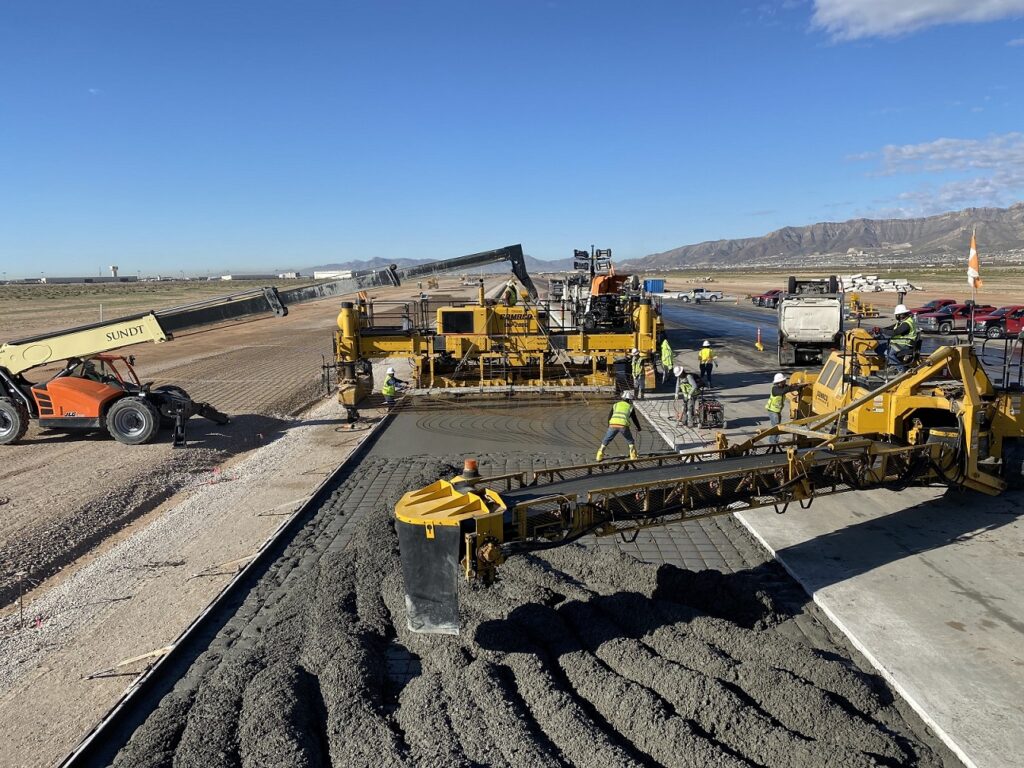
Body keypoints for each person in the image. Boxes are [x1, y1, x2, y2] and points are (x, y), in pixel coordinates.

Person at [596, 390, 641, 461]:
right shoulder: (630, 407)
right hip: (623, 426)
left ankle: (599, 455)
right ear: (629, 399)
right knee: (630, 440)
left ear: (623, 398)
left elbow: (609, 416)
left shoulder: (616, 405)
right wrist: (639, 428)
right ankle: (633, 456)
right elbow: (634, 419)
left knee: (606, 440)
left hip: (613, 424)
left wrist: (609, 426)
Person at [873, 304, 919, 373]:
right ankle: (893, 363)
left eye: (897, 315)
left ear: (901, 315)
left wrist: (881, 330)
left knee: (889, 354)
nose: (896, 316)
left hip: (904, 345)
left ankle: (901, 369)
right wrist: (879, 329)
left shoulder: (906, 324)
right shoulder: (901, 322)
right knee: (878, 348)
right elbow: (891, 327)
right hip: (896, 343)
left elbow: (895, 332)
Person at [766, 372, 806, 444]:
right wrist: (792, 388)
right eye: (783, 381)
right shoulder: (775, 389)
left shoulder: (782, 387)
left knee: (777, 427)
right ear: (779, 382)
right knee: (776, 427)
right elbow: (784, 391)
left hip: (777, 411)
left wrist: (798, 386)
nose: (785, 382)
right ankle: (773, 443)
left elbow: (789, 388)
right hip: (772, 411)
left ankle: (774, 442)